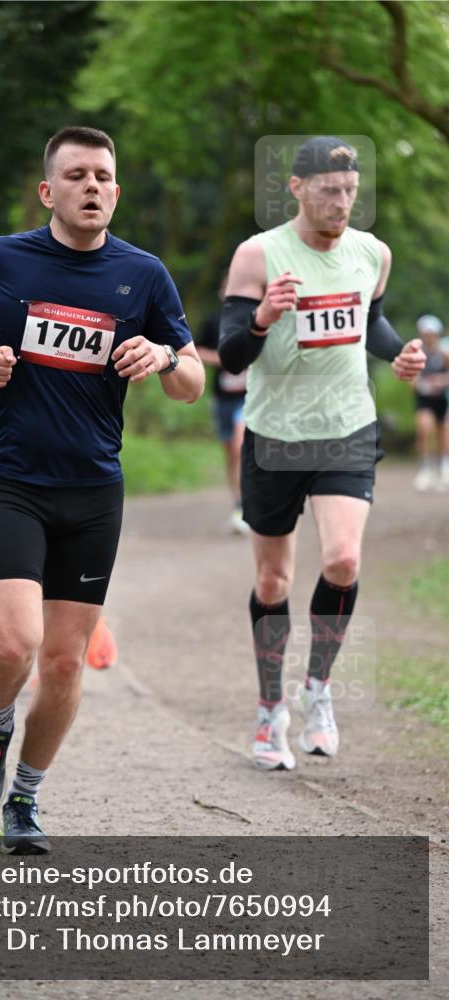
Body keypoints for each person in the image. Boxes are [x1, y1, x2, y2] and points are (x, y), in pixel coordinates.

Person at [0, 126, 204, 851]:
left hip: (91, 489)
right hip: (8, 477)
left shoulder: (143, 276)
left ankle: (24, 800)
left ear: (115, 190)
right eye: (77, 174)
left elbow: (190, 386)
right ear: (48, 191)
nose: (92, 186)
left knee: (61, 661)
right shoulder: (1, 259)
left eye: (104, 176)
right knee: (15, 644)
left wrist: (165, 355)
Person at [219, 136, 425, 771]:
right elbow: (229, 354)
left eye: (350, 191)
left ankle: (318, 691)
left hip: (346, 428)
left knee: (341, 559)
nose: (342, 202)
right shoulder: (259, 255)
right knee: (273, 579)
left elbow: (372, 320)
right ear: (298, 188)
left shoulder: (373, 253)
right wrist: (260, 320)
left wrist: (399, 353)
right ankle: (268, 708)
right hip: (276, 435)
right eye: (330, 190)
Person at [195, 290, 248, 534]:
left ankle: (248, 505)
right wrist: (222, 358)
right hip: (223, 397)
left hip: (250, 396)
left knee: (240, 444)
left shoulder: (256, 317)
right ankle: (238, 503)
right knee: (231, 452)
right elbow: (196, 350)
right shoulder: (213, 322)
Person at [412, 315, 449, 492]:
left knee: (444, 434)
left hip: (442, 399)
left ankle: (444, 469)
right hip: (424, 399)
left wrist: (441, 381)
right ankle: (426, 470)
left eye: (431, 333)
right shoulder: (417, 355)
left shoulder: (444, 354)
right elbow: (411, 380)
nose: (429, 336)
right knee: (424, 429)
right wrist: (421, 384)